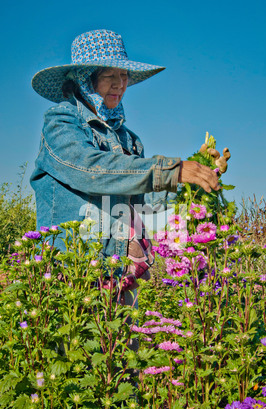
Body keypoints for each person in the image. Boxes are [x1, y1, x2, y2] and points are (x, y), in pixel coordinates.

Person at [30, 29, 222, 305]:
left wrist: (198, 170)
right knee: (76, 344)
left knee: (120, 345)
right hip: (74, 267)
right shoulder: (60, 122)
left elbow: (145, 203)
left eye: (124, 76)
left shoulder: (127, 138)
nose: (120, 84)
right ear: (86, 79)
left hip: (120, 265)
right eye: (110, 75)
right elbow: (91, 170)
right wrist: (171, 170)